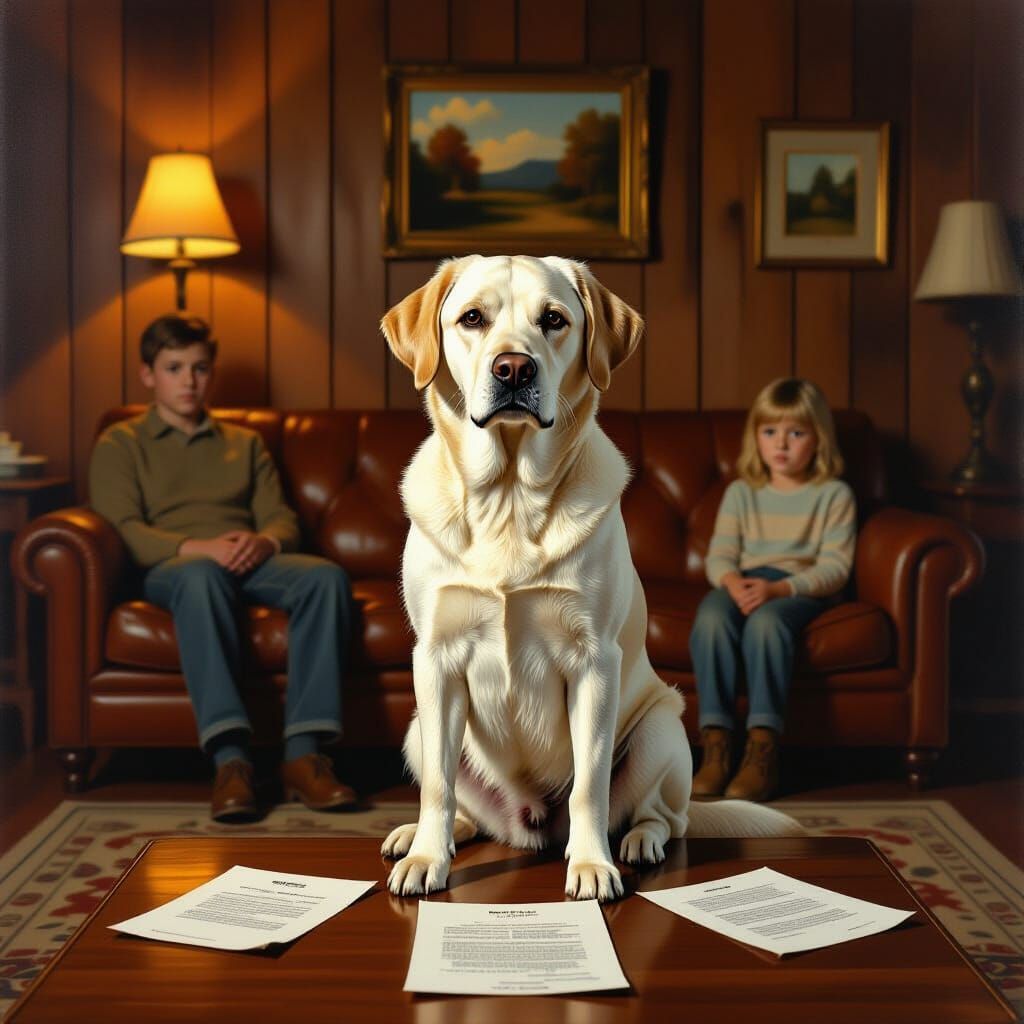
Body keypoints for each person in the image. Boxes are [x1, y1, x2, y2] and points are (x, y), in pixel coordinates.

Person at [89, 314, 356, 821]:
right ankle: (231, 760)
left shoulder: (244, 442)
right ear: (148, 375)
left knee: (325, 576)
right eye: (174, 368)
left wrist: (264, 542)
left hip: (244, 558)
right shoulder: (121, 443)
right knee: (201, 576)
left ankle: (303, 756)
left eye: (200, 368)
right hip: (178, 565)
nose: (189, 381)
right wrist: (199, 547)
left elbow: (281, 519)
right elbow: (124, 528)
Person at [688, 377, 856, 802]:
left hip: (796, 590)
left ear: (818, 439)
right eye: (770, 432)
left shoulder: (833, 495)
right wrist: (733, 584)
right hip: (745, 581)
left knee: (765, 625)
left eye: (796, 433)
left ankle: (763, 751)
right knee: (710, 616)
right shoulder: (742, 492)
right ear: (755, 438)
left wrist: (780, 591)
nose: (782, 444)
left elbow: (835, 568)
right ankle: (716, 747)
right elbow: (720, 556)